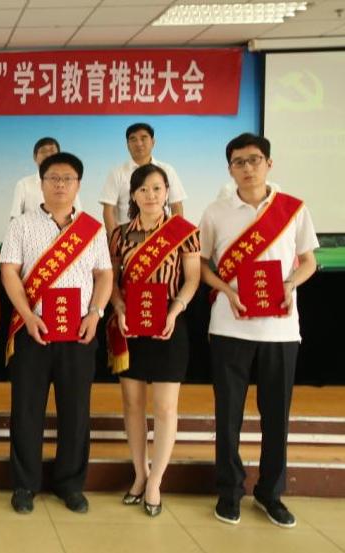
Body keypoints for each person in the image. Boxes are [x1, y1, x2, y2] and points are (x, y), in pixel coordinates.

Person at [200, 133, 318, 528]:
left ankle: (270, 493)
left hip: (281, 330)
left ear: (269, 163)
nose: (247, 168)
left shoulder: (292, 209)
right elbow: (202, 265)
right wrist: (226, 290)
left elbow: (308, 261)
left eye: (254, 160)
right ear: (229, 169)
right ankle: (229, 492)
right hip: (229, 326)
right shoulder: (215, 212)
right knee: (227, 415)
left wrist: (290, 284)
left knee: (276, 417)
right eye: (239, 162)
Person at [0, 152, 112, 515]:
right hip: (33, 330)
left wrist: (96, 313)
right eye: (53, 178)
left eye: (68, 179)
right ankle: (24, 485)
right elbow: (9, 272)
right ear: (41, 183)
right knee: (26, 411)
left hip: (79, 331)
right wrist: (26, 316)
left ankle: (70, 485)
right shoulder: (21, 225)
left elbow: (104, 275)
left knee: (76, 412)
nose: (60, 185)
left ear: (78, 185)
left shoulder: (93, 228)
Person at [105, 164, 201, 517]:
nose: (150, 195)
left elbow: (192, 278)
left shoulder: (184, 232)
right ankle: (139, 473)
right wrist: (119, 308)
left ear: (167, 192)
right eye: (143, 189)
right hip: (129, 326)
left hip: (168, 327)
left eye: (157, 188)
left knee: (164, 408)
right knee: (132, 405)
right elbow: (112, 280)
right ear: (133, 194)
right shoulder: (119, 235)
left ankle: (156, 481)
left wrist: (175, 310)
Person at [100, 123, 187, 232]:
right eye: (133, 139)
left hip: (162, 236)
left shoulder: (167, 170)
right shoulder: (117, 173)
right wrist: (114, 239)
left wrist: (177, 235)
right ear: (127, 145)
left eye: (143, 138)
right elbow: (108, 210)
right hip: (127, 237)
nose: (139, 143)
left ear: (153, 142)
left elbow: (176, 205)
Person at [8, 137, 81, 219]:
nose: (48, 155)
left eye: (52, 151)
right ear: (35, 157)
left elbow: (79, 216)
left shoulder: (69, 184)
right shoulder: (23, 185)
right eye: (43, 151)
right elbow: (14, 218)